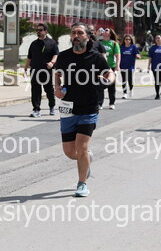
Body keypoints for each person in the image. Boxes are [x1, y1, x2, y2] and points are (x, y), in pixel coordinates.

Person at [54, 22, 114, 197]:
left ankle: (82, 184)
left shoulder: (96, 57)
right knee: (69, 152)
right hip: (68, 107)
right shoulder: (64, 56)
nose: (76, 36)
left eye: (80, 33)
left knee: (81, 146)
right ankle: (86, 157)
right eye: (73, 33)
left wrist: (108, 80)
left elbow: (109, 72)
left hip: (89, 108)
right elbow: (57, 74)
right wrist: (57, 88)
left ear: (87, 36)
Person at [24, 23, 59, 118]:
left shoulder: (52, 43)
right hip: (35, 70)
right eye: (37, 30)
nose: (38, 32)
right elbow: (29, 57)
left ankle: (52, 106)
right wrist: (26, 68)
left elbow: (56, 54)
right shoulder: (33, 44)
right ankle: (36, 109)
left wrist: (52, 62)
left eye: (40, 30)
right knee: (35, 90)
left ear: (46, 31)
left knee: (48, 89)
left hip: (46, 70)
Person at [100, 28, 121, 109]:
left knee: (111, 86)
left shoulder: (114, 44)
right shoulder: (100, 43)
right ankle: (100, 104)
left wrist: (117, 66)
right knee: (100, 86)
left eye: (106, 30)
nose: (104, 31)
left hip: (111, 67)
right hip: (101, 67)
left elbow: (118, 56)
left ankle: (112, 103)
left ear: (110, 34)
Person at [87, 25, 106, 109]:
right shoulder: (83, 43)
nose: (90, 31)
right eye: (89, 30)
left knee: (99, 86)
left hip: (97, 68)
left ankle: (99, 103)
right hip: (86, 68)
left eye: (92, 30)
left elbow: (103, 55)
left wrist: (103, 67)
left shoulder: (98, 43)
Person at [120, 34, 141, 99]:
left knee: (130, 79)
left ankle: (131, 90)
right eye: (126, 39)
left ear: (131, 40)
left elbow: (137, 53)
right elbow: (118, 55)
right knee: (124, 80)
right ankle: (125, 93)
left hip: (130, 66)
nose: (128, 40)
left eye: (129, 39)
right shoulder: (121, 47)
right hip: (123, 65)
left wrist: (137, 55)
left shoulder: (133, 47)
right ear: (124, 40)